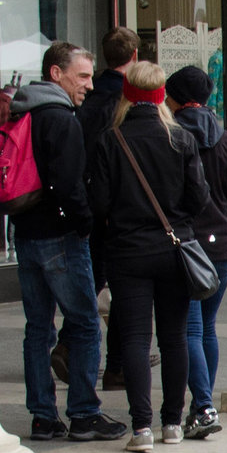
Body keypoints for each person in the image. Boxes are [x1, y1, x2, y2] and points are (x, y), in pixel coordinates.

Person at [86, 61, 210, 452]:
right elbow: (199, 197)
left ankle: (141, 428)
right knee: (174, 338)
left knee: (135, 340)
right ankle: (172, 422)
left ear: (127, 94)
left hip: (127, 251)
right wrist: (177, 220)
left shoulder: (111, 140)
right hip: (174, 248)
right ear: (160, 96)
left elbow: (99, 203)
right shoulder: (181, 139)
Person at [9, 42, 127, 444]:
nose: (89, 85)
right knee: (84, 324)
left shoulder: (23, 112)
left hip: (26, 233)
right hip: (60, 235)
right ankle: (83, 413)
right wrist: (85, 224)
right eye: (82, 76)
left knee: (37, 328)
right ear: (56, 73)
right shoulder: (60, 118)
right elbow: (69, 183)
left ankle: (43, 416)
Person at [165, 67, 227, 438]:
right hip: (222, 245)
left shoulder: (171, 135)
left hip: (186, 244)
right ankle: (202, 404)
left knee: (190, 328)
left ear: (174, 98)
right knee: (206, 328)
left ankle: (203, 406)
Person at [80, 27, 142, 389]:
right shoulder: (124, 101)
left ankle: (74, 348)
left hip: (87, 200)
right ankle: (115, 363)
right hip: (114, 206)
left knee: (92, 279)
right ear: (134, 55)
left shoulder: (88, 95)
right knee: (117, 286)